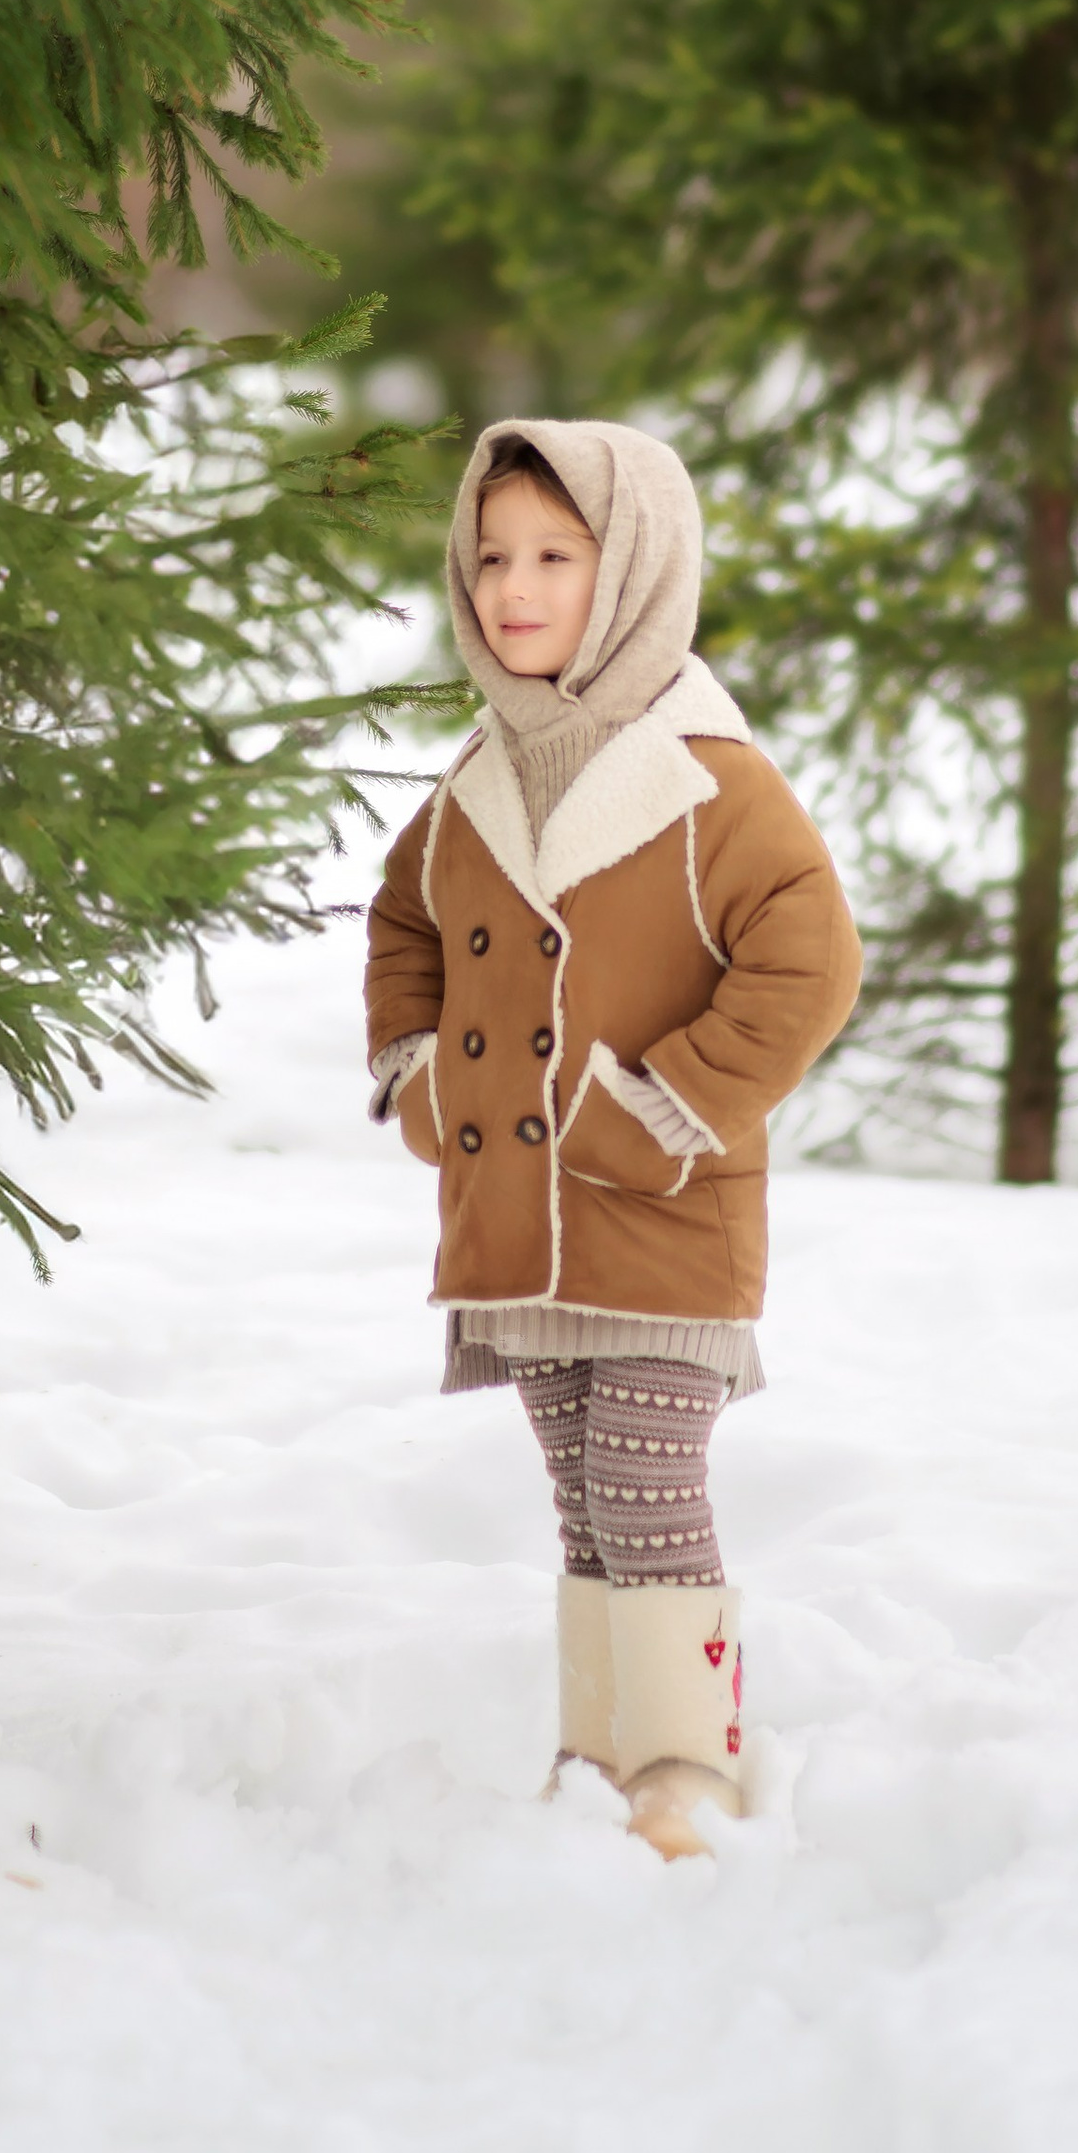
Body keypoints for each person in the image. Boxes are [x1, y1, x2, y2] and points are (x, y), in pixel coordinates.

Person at [364, 419, 862, 1858]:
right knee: (585, 1492)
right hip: (522, 1223)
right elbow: (406, 925)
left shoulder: (709, 776)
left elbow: (810, 957)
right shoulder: (480, 776)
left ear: (632, 567)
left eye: (556, 558)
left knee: (648, 1476)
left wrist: (670, 1106)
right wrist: (417, 1078)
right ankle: (600, 1747)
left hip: (663, 1212)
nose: (515, 588)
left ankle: (685, 1764)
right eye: (493, 556)